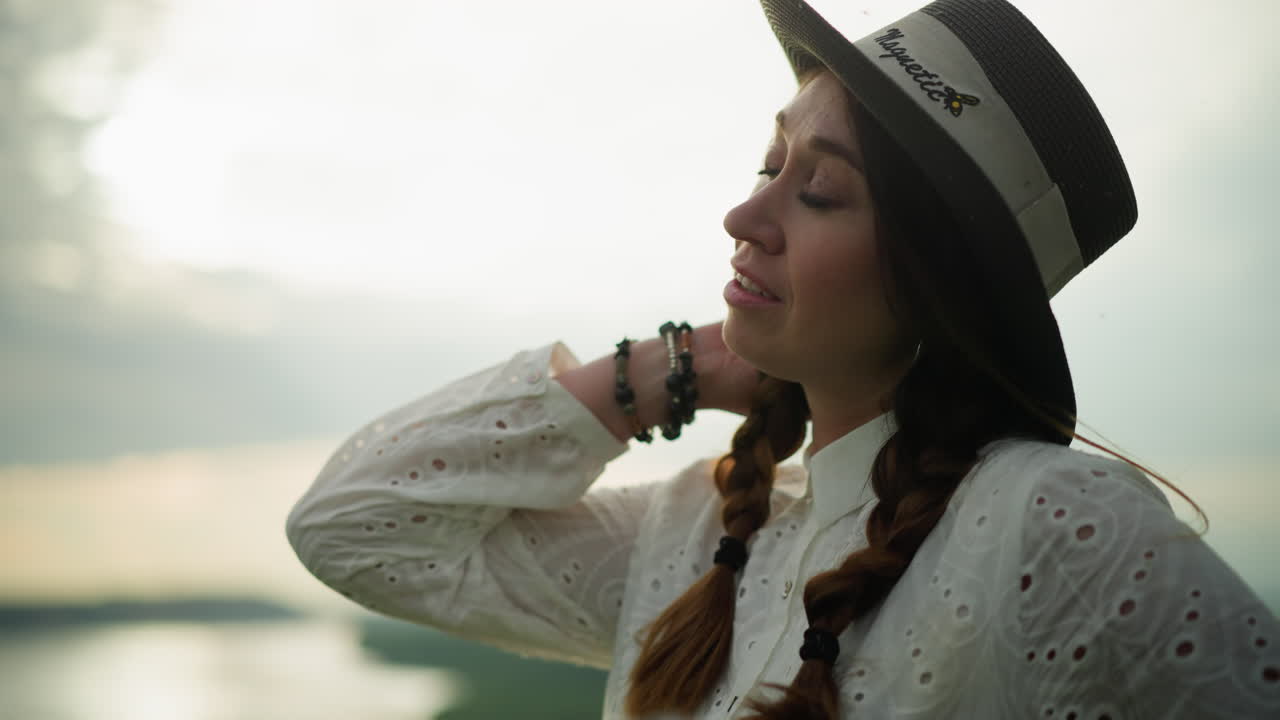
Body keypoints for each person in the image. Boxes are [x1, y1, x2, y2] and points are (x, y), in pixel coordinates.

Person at [286, 0, 1280, 717]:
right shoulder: (693, 532)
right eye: (770, 165)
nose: (742, 215)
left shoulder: (1056, 527)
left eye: (816, 191)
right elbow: (350, 529)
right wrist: (671, 370)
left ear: (931, 278)